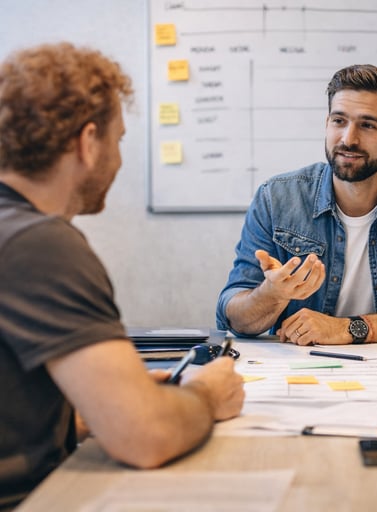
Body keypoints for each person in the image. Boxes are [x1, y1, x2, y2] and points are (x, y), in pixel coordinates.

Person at [0, 43, 244, 509]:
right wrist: (206, 395)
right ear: (88, 142)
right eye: (119, 140)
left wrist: (93, 410)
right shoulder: (41, 245)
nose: (118, 158)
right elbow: (145, 437)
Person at [216, 64, 377, 345]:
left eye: (367, 125)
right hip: (301, 365)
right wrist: (271, 295)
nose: (348, 139)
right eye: (339, 121)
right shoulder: (276, 198)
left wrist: (348, 329)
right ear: (327, 124)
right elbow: (233, 318)